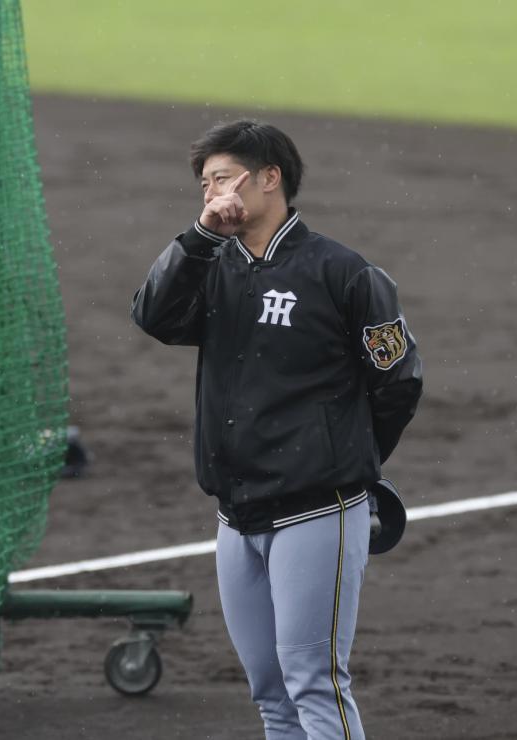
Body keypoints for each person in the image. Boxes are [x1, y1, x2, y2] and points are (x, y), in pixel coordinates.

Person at [131, 120, 422, 739]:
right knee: (270, 693)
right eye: (203, 184)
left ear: (270, 178)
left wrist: (350, 461)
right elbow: (153, 315)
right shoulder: (212, 265)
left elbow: (397, 381)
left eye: (223, 178)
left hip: (317, 510)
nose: (211, 192)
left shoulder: (343, 273)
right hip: (235, 515)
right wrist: (202, 236)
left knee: (316, 682)